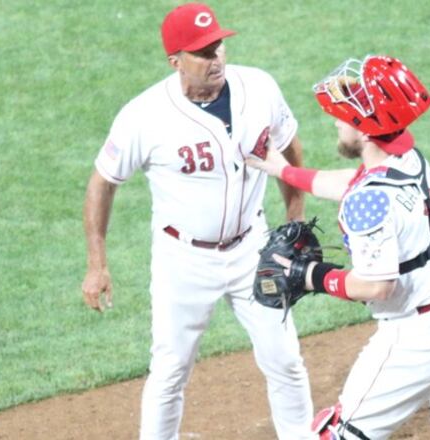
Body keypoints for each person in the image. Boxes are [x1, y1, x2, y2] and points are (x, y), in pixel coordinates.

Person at [247, 55, 430, 440]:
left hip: (418, 336)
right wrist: (283, 170)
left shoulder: (369, 199)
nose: (335, 121)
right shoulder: (408, 159)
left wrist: (308, 275)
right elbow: (353, 183)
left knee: (335, 434)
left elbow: (378, 286)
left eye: (343, 117)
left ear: (363, 130)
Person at [80, 3, 315, 439]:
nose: (217, 58)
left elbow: (289, 145)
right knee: (170, 371)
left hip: (253, 250)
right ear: (176, 62)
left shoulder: (259, 88)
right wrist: (97, 263)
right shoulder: (144, 115)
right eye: (203, 52)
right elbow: (102, 183)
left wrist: (294, 219)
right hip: (182, 260)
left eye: (219, 46)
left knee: (285, 358)